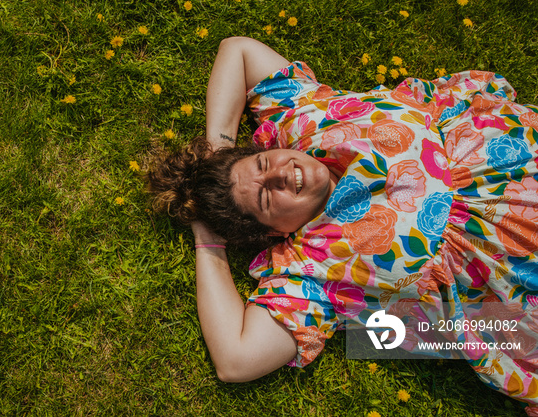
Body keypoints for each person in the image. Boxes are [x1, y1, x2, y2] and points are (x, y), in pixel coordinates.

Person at [148, 37, 538, 413]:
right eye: (266, 198)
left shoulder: (304, 123)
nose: (281, 175)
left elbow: (238, 50)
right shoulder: (311, 269)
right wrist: (208, 238)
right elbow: (235, 361)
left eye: (264, 164)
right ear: (271, 233)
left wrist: (219, 152)